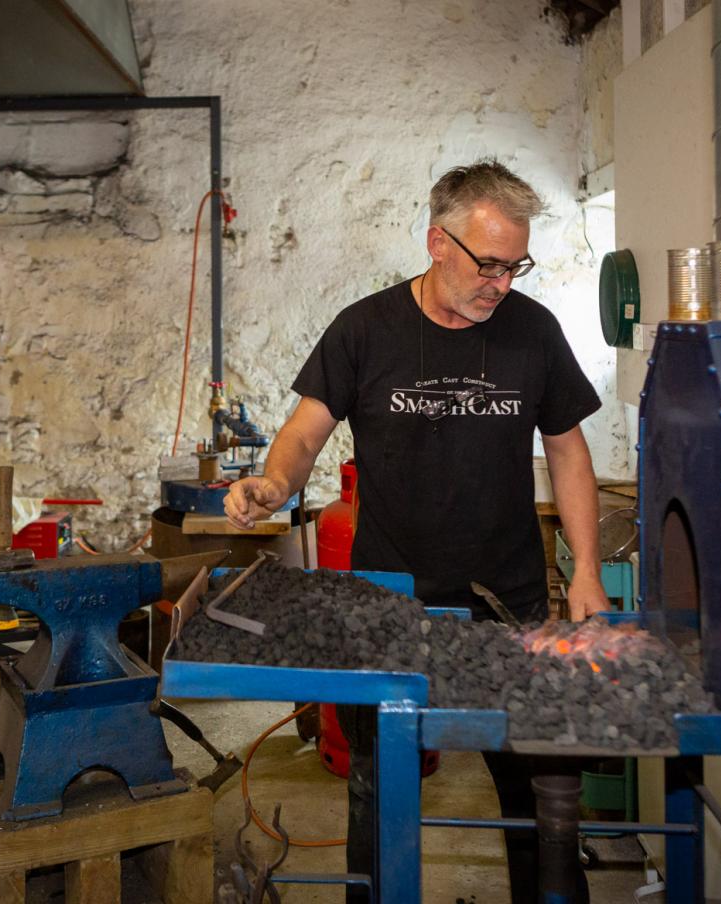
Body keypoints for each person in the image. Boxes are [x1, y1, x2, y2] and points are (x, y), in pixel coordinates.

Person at [225, 159, 609, 903]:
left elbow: (568, 451)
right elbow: (305, 433)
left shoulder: (532, 331)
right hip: (389, 599)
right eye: (488, 264)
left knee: (534, 789)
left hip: (509, 600)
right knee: (378, 787)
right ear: (437, 242)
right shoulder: (366, 329)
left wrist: (586, 569)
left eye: (515, 265)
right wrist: (274, 484)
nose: (501, 282)